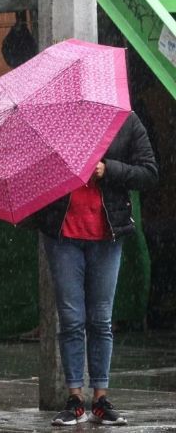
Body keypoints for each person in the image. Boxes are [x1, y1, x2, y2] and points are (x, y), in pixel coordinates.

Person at [35, 111, 157, 426]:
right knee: (72, 319)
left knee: (100, 319)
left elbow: (149, 172)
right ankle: (75, 398)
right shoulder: (57, 121)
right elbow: (36, 172)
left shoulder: (126, 122)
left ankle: (101, 399)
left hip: (106, 235)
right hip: (63, 234)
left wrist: (108, 169)